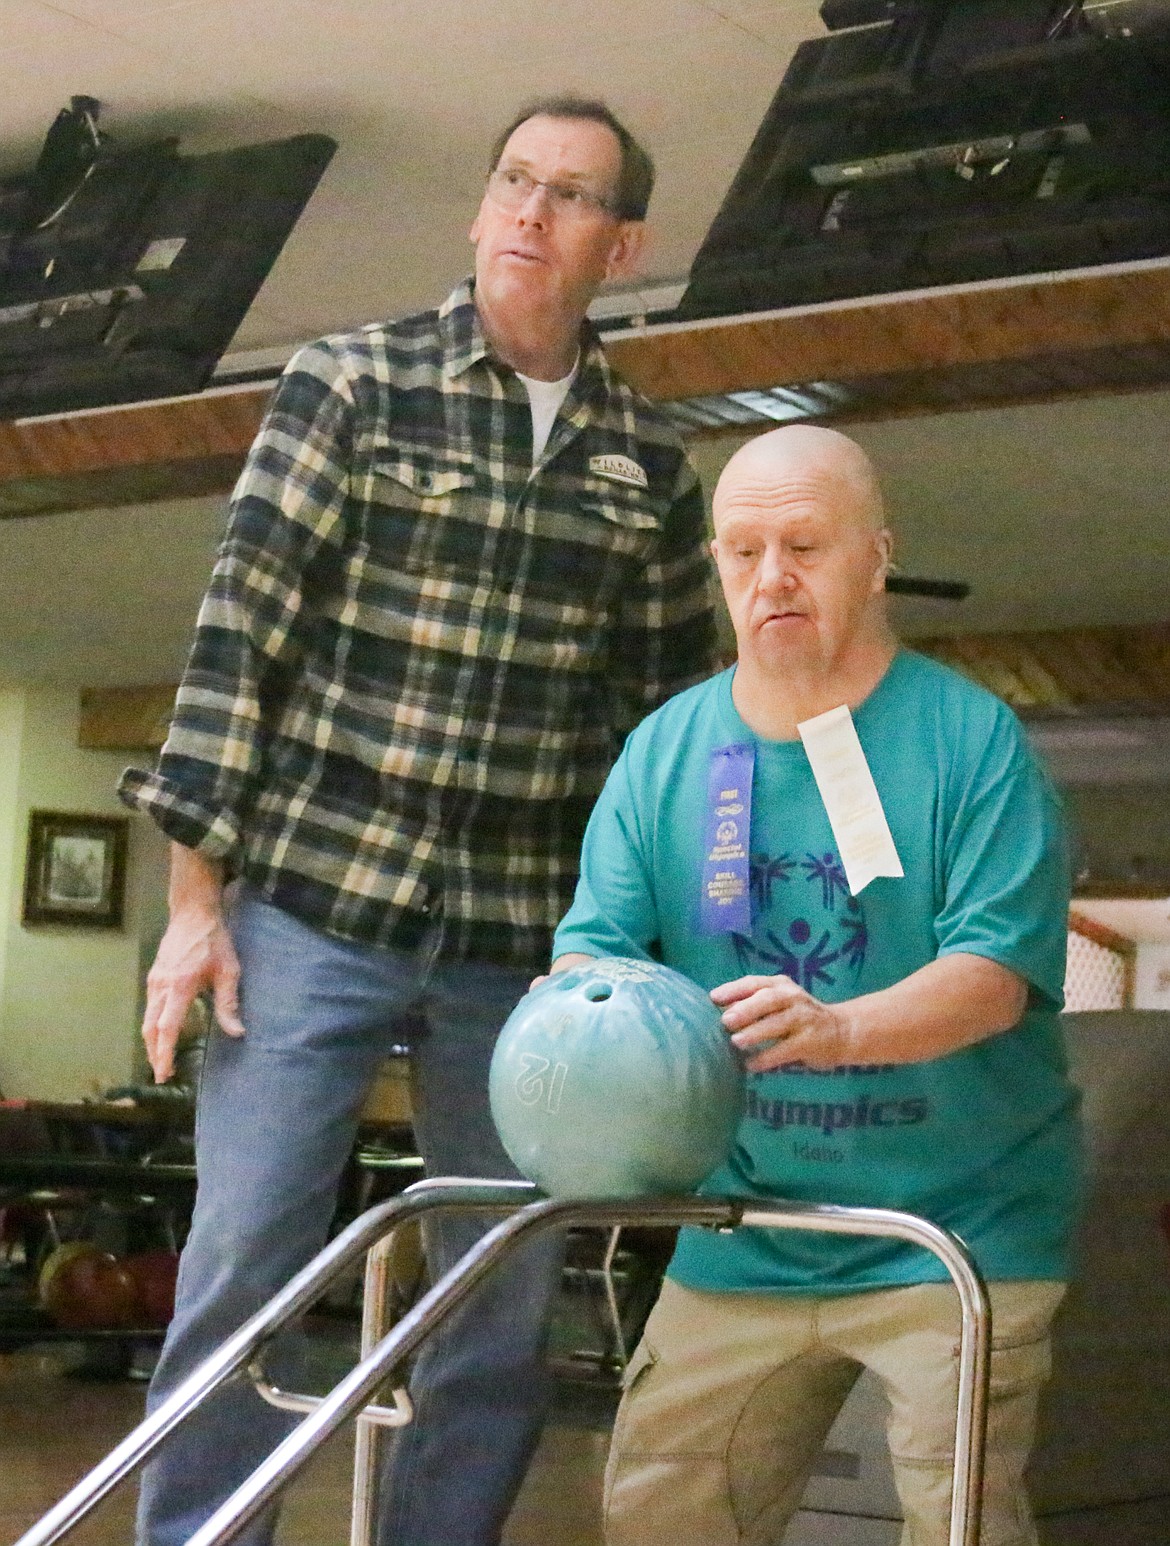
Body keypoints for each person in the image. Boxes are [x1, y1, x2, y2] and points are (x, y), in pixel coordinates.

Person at [117, 96, 717, 1546]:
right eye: (512, 179)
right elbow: (236, 640)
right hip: (310, 905)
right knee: (245, 1260)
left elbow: (660, 735)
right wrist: (194, 908)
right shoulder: (350, 382)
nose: (528, 212)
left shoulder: (650, 463)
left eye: (569, 196)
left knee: (499, 1294)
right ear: (479, 205)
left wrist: (643, 963)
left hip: (520, 953)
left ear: (618, 242)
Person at [550, 424, 1083, 1546]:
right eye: (742, 552)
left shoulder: (972, 742)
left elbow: (993, 979)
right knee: (660, 1514)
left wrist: (839, 1027)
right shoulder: (664, 755)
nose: (772, 577)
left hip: (958, 1222)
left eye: (805, 544)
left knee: (960, 1520)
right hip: (746, 1222)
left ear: (875, 556)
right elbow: (589, 958)